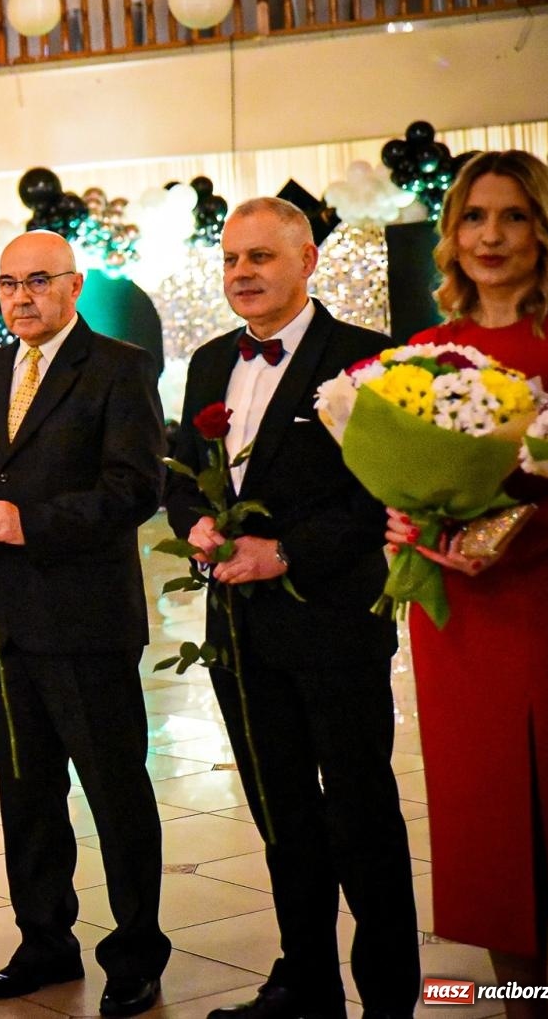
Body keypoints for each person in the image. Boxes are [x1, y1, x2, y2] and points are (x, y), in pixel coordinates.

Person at [166, 200, 419, 1019]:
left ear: (307, 261)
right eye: (232, 259)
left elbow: (380, 493)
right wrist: (193, 521)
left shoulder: (367, 360)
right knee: (280, 814)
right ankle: (304, 977)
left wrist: (288, 551)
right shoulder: (207, 363)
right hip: (240, 631)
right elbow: (181, 473)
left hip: (335, 624)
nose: (242, 273)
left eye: (261, 258)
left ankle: (387, 994)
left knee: (360, 817)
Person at [385, 151, 548, 1016]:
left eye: (512, 216)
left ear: (546, 227)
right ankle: (520, 1005)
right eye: (474, 218)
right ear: (452, 235)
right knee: (489, 823)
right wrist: (403, 521)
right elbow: (404, 477)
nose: (492, 236)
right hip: (459, 615)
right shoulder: (425, 351)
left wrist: (508, 536)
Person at [0, 231, 169, 1012]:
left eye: (37, 280)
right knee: (25, 795)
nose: (21, 297)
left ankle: (137, 953)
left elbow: (135, 487)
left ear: (73, 286)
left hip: (86, 622)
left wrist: (31, 520)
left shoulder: (118, 367)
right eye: (7, 283)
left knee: (114, 795)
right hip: (0, 625)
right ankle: (46, 941)